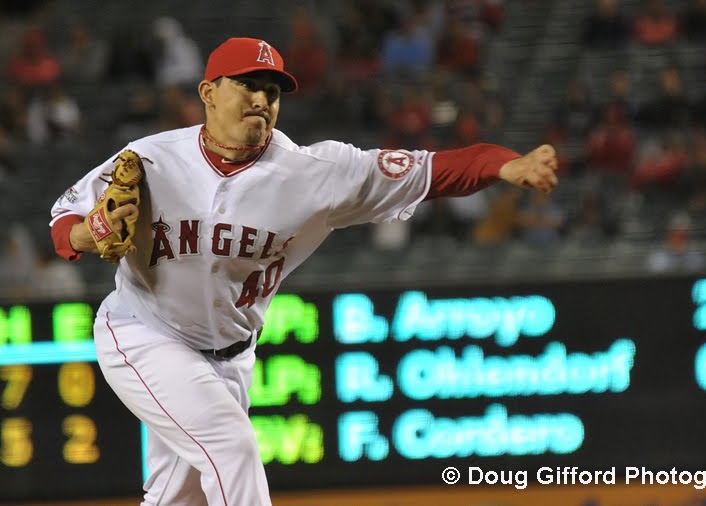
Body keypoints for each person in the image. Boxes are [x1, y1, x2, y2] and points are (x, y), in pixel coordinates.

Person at [48, 37, 558, 506]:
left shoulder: (315, 175)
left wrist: (505, 166)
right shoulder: (152, 158)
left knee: (179, 498)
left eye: (271, 90)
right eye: (247, 84)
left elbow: (431, 170)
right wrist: (84, 234)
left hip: (230, 357)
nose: (261, 99)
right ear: (208, 92)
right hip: (143, 332)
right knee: (233, 450)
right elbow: (64, 220)